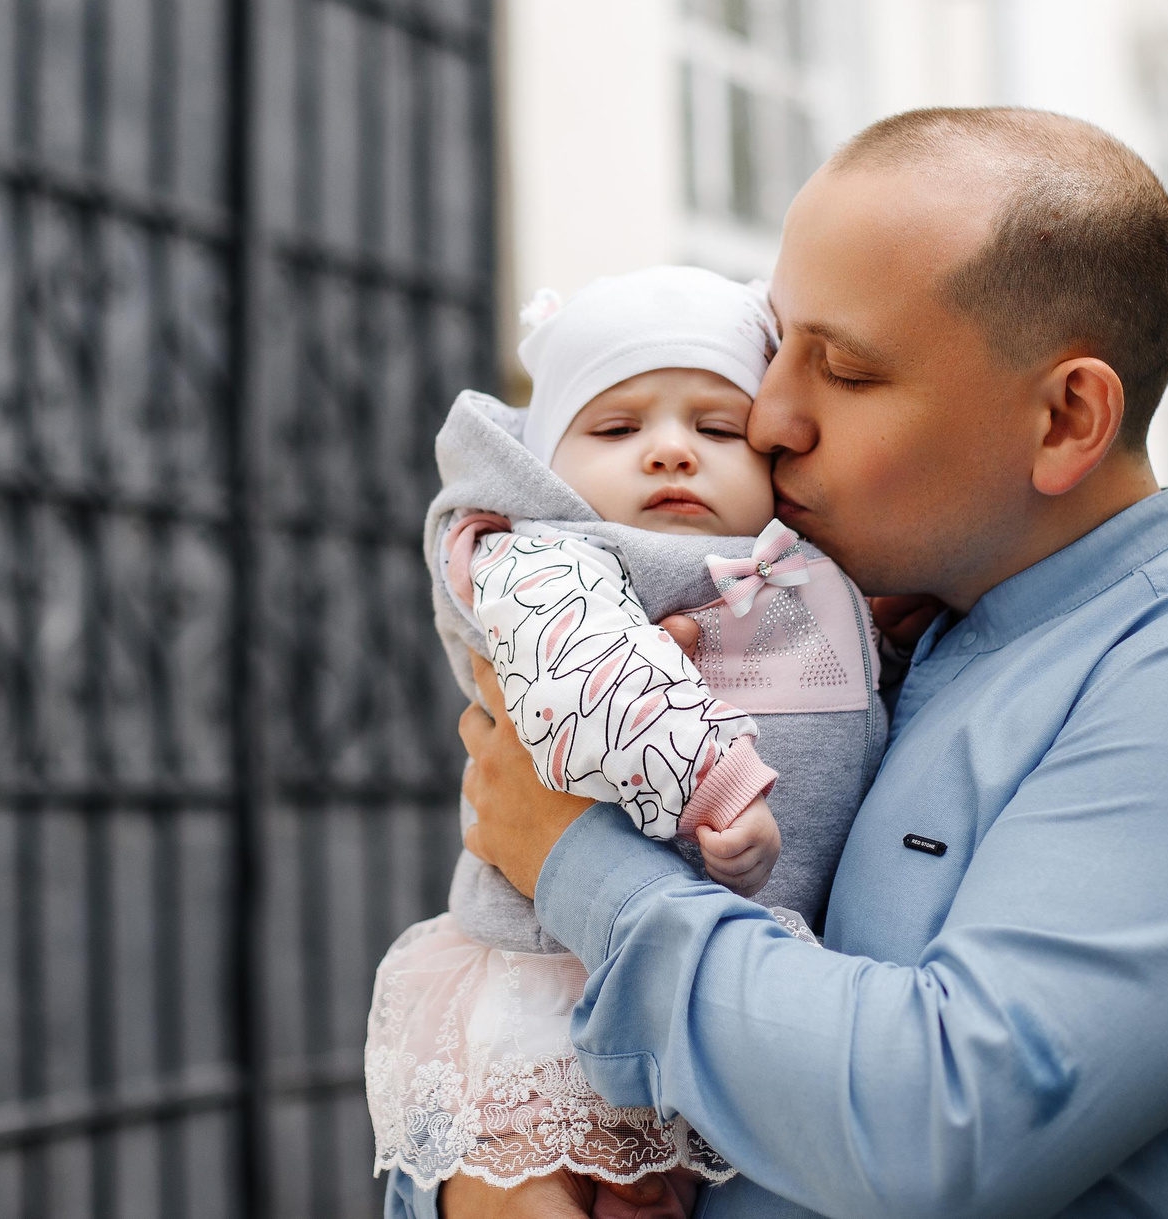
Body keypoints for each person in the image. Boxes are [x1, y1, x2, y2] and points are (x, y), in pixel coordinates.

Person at [402, 107, 1168, 1218]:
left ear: (1067, 418)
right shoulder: (853, 633)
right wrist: (478, 1175)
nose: (771, 416)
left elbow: (937, 1127)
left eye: (841, 369)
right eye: (773, 347)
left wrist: (572, 858)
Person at [368, 267, 888, 1216]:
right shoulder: (547, 558)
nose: (671, 453)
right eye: (618, 428)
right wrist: (718, 784)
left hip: (713, 995)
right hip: (561, 997)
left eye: (717, 427)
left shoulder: (792, 573)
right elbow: (594, 678)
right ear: (549, 468)